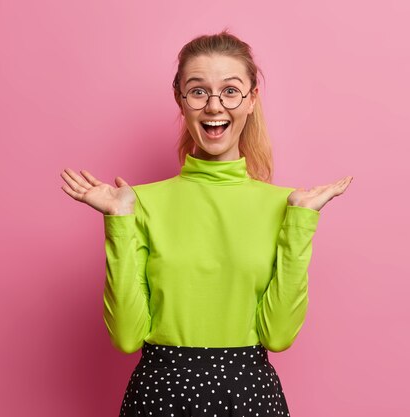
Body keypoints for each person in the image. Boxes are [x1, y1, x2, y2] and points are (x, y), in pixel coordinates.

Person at [60, 29, 353, 417]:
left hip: (250, 398)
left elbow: (278, 336)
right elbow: (128, 338)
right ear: (180, 100)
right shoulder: (139, 203)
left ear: (251, 100)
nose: (215, 106)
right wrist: (119, 221)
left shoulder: (286, 206)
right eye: (198, 91)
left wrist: (300, 223)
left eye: (231, 91)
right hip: (159, 397)